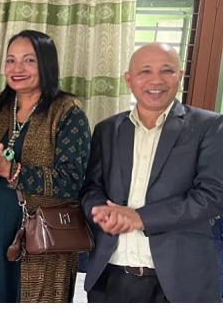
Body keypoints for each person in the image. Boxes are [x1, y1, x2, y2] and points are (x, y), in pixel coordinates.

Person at [80, 42, 223, 303]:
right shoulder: (107, 129)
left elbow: (212, 196)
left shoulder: (210, 126)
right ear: (129, 79)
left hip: (181, 281)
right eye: (145, 71)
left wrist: (140, 218)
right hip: (112, 276)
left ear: (180, 76)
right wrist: (102, 213)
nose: (156, 80)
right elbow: (91, 188)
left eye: (167, 70)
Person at [0, 30, 91, 302]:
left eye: (28, 60)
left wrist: (10, 170)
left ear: (46, 64)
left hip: (44, 237)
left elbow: (72, 181)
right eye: (11, 60)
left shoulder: (67, 112)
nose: (17, 68)